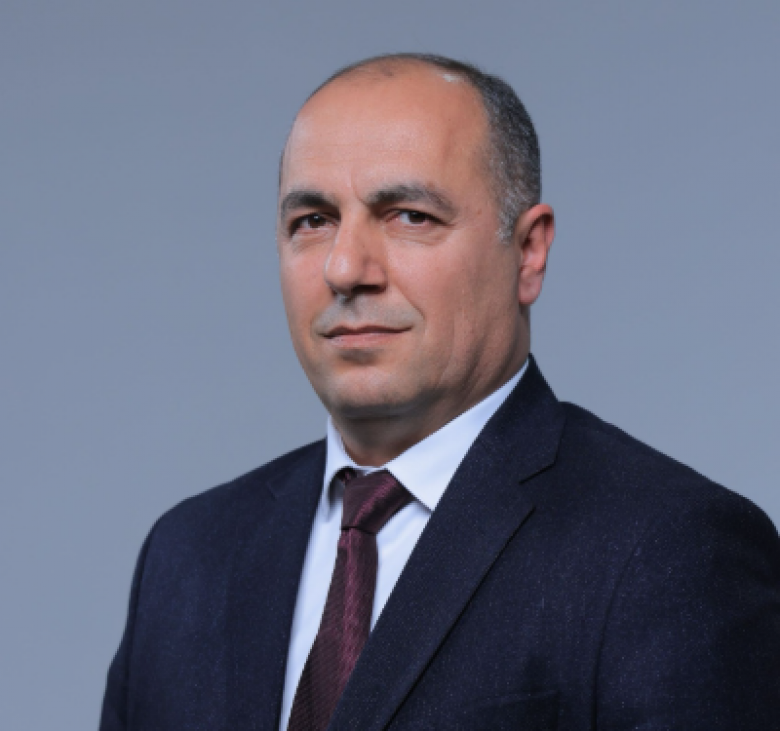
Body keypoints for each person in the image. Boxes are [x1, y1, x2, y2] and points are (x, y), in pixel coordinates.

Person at [100, 54, 780, 731]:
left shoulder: (670, 550)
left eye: (409, 216)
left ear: (529, 251)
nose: (345, 268)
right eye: (313, 220)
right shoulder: (188, 555)